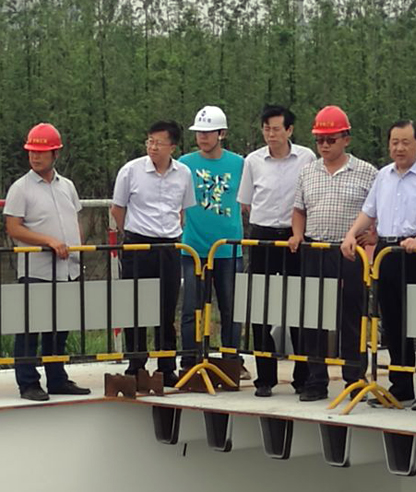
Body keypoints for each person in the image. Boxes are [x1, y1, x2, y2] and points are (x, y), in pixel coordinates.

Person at [341, 120, 416, 410]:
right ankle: (401, 385)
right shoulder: (384, 175)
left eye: (405, 142)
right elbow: (369, 212)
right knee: (392, 321)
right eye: (394, 142)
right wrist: (351, 234)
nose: (399, 148)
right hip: (386, 252)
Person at [288, 105, 377, 402]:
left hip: (349, 252)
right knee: (313, 317)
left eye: (331, 139)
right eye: (320, 140)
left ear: (346, 139)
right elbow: (299, 210)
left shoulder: (367, 172)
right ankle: (316, 380)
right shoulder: (308, 172)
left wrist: (372, 236)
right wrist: (297, 234)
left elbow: (378, 210)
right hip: (315, 248)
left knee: (351, 316)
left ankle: (354, 378)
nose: (324, 146)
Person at [4, 123, 91, 401]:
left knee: (59, 328)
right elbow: (13, 228)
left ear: (56, 154)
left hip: (67, 269)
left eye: (41, 152)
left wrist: (77, 248)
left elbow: (75, 219)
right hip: (37, 269)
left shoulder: (67, 186)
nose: (35, 157)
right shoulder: (21, 188)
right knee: (30, 328)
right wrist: (48, 241)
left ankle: (57, 378)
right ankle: (28, 382)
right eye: (31, 151)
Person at [237, 104, 315, 397]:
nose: (271, 134)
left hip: (296, 237)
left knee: (299, 308)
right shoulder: (253, 160)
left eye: (276, 128)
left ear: (290, 130)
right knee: (261, 309)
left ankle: (303, 377)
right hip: (263, 236)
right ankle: (265, 378)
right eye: (266, 129)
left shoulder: (306, 157)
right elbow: (246, 202)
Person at [111, 120, 196, 387]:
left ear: (173, 146)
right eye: (150, 141)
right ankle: (136, 365)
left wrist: (170, 231)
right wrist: (131, 234)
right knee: (135, 309)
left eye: (159, 142)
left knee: (166, 309)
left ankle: (166, 367)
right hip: (137, 245)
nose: (153, 147)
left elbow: (182, 210)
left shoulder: (183, 173)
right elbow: (117, 209)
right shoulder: (131, 170)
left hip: (169, 246)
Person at [179, 106, 250, 380]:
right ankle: (190, 359)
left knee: (230, 308)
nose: (203, 137)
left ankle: (232, 359)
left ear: (222, 134)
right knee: (191, 308)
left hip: (228, 249)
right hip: (194, 248)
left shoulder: (239, 164)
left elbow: (248, 199)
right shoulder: (185, 163)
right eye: (199, 132)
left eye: (208, 132)